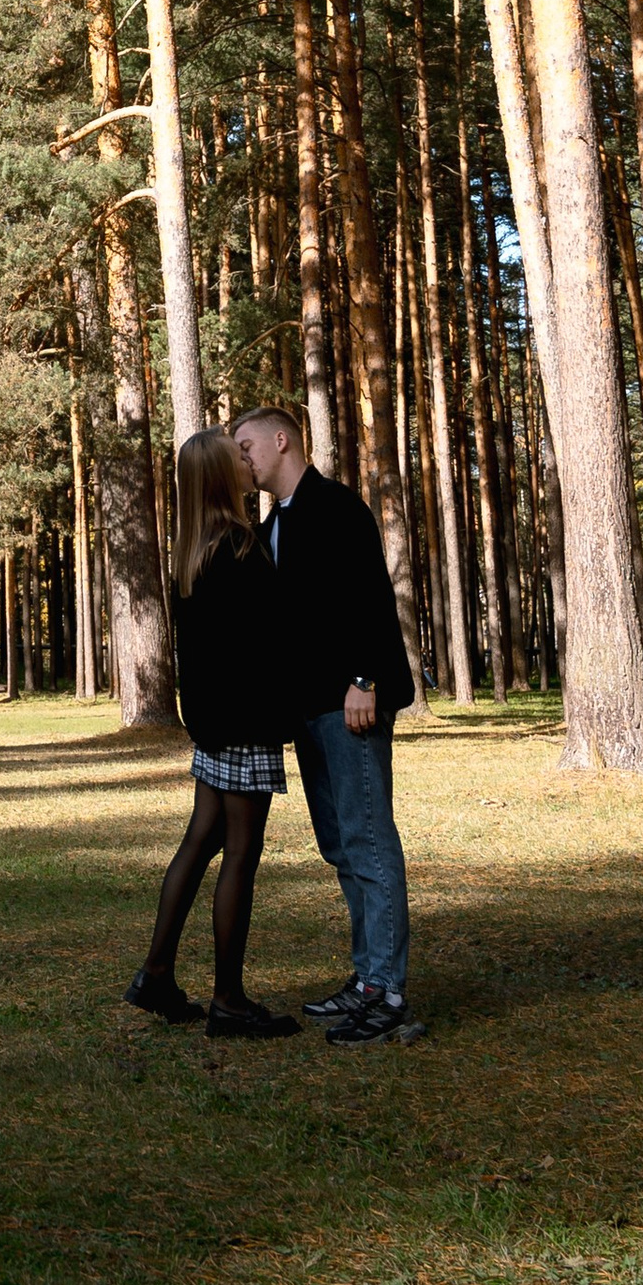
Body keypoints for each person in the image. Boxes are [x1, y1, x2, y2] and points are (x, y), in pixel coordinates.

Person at [233, 400, 422, 1045]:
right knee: (342, 845)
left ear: (282, 441)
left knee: (369, 842)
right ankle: (367, 979)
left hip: (353, 704)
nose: (243, 460)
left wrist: (365, 679)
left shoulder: (338, 508)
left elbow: (370, 598)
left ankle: (388, 993)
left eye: (247, 447)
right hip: (308, 711)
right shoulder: (271, 526)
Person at [127, 426, 299, 1039]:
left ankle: (155, 975)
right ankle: (228, 1000)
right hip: (246, 724)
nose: (248, 462)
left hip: (213, 726)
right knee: (241, 856)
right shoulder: (243, 549)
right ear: (224, 477)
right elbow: (271, 641)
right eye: (238, 458)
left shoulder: (194, 551)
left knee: (200, 842)